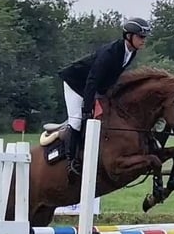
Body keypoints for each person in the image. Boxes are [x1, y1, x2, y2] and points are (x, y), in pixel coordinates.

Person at [58, 16, 151, 180]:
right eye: (141, 37)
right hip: (75, 83)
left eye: (145, 37)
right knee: (78, 120)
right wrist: (87, 108)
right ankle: (70, 163)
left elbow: (110, 79)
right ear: (129, 36)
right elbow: (92, 80)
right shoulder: (110, 53)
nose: (144, 40)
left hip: (92, 86)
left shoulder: (131, 52)